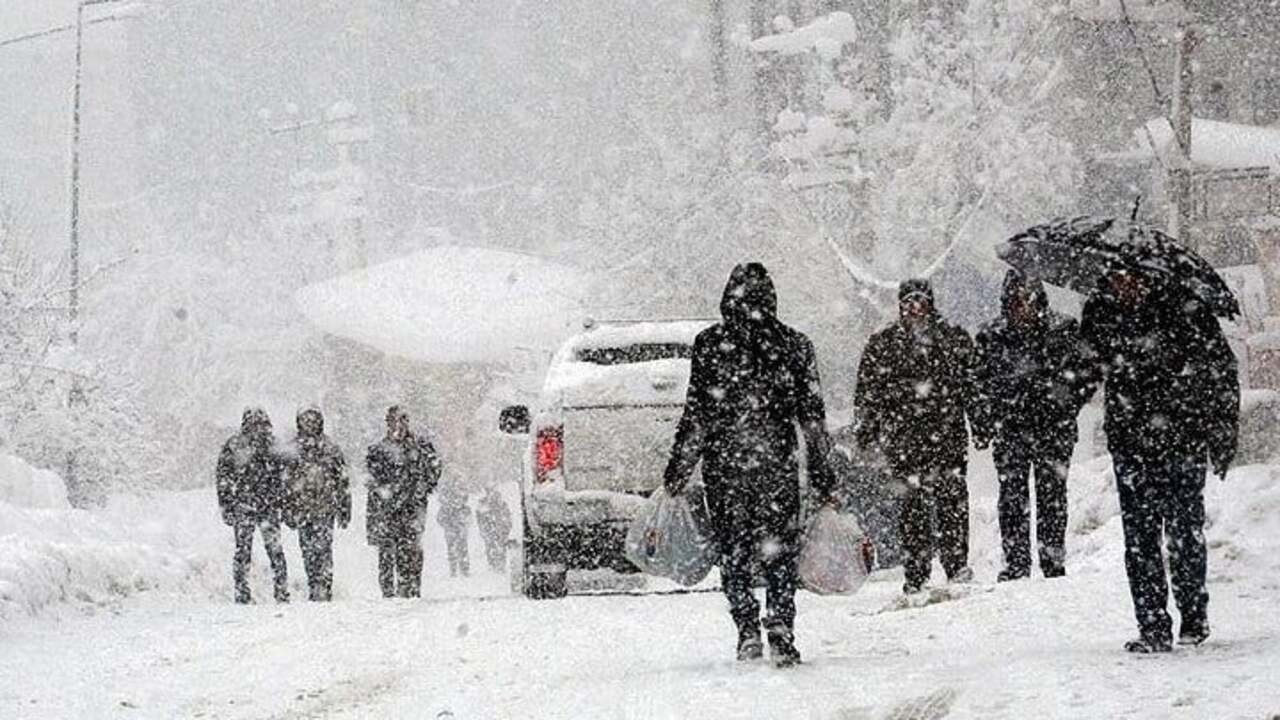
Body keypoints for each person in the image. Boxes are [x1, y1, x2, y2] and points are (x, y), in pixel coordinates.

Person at [664, 262, 834, 668]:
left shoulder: (710, 345)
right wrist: (823, 473)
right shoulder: (794, 344)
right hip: (776, 465)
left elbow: (697, 415)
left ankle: (746, 628)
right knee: (780, 552)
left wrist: (679, 468)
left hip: (726, 467)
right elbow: (812, 417)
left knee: (734, 550)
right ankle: (780, 626)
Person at [1080, 269, 1239, 653]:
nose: (1123, 285)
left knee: (1184, 531)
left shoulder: (1185, 308)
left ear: (1148, 277)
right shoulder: (1102, 312)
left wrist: (1221, 432)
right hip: (1131, 441)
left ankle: (1193, 616)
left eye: (1129, 278)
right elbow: (1086, 370)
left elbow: (1220, 370)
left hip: (1181, 438)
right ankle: (1152, 625)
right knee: (1140, 538)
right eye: (1115, 278)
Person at [854, 278, 984, 595]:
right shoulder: (884, 343)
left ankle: (956, 565)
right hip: (904, 439)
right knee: (912, 508)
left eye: (920, 301)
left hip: (946, 435)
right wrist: (866, 431)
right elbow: (868, 393)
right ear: (900, 305)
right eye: (908, 302)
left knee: (951, 501)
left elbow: (973, 386)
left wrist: (981, 423)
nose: (914, 308)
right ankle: (916, 571)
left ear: (930, 303)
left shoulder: (953, 339)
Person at [975, 271, 1094, 581]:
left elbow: (1087, 374)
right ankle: (1016, 562)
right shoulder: (991, 336)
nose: (1022, 306)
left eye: (1027, 298)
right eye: (1015, 299)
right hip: (1011, 429)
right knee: (1012, 497)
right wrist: (988, 418)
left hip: (1053, 428)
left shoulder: (1064, 330)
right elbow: (978, 383)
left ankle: (1052, 560)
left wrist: (1066, 404)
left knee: (1052, 496)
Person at [366, 405, 441, 598]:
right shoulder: (379, 450)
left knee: (411, 548)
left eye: (402, 421)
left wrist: (423, 487)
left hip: (412, 506)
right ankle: (389, 590)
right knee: (386, 550)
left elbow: (434, 468)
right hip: (387, 508)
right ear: (388, 424)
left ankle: (411, 587)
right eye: (393, 422)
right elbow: (373, 478)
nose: (398, 426)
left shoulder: (421, 447)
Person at [216, 407, 289, 604]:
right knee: (249, 551)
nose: (257, 428)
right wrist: (226, 505)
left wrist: (282, 500)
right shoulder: (237, 445)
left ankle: (277, 591)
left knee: (269, 551)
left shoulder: (265, 445)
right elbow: (223, 477)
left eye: (260, 423)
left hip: (260, 505)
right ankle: (248, 592)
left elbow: (285, 477)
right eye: (254, 423)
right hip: (250, 505)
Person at [282, 407, 351, 602]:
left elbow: (342, 480)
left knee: (324, 548)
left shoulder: (330, 448)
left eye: (313, 420)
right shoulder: (292, 450)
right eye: (306, 420)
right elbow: (284, 483)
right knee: (307, 550)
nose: (310, 424)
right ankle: (314, 584)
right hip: (301, 509)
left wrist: (344, 508)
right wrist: (287, 508)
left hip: (325, 508)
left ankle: (324, 587)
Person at [437, 485, 473, 577]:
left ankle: (463, 569)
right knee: (454, 550)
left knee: (461, 550)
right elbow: (440, 519)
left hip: (459, 532)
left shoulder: (463, 508)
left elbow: (469, 519)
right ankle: (455, 569)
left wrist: (463, 524)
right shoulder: (447, 508)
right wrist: (448, 525)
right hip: (452, 532)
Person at [476, 486, 514, 573]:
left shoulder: (488, 504)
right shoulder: (485, 504)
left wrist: (506, 527)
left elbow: (507, 517)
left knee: (496, 547)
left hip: (497, 529)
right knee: (493, 547)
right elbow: (480, 517)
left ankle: (497, 565)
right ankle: (495, 565)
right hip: (493, 529)